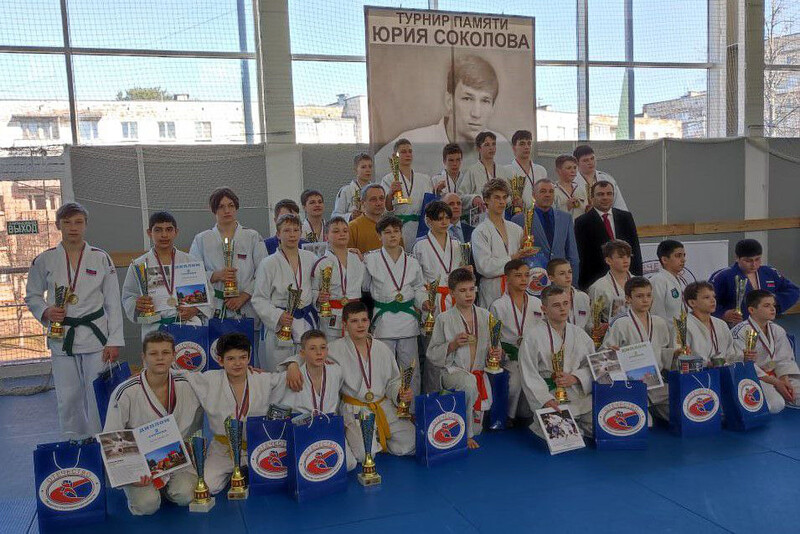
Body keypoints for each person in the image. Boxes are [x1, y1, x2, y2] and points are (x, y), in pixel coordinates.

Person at [25, 202, 124, 439]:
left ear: (86, 225)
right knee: (68, 396)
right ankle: (74, 441)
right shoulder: (45, 259)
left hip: (95, 334)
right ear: (58, 225)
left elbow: (112, 302)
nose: (73, 227)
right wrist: (46, 311)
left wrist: (114, 340)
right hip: (62, 334)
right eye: (67, 222)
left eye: (78, 222)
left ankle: (99, 440)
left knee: (97, 392)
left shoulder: (101, 257)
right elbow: (32, 295)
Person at [178, 333, 297, 495]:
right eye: (231, 359)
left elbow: (291, 376)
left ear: (249, 358)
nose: (238, 363)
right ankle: (239, 473)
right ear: (220, 360)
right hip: (223, 449)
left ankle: (245, 472)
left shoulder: (262, 379)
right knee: (209, 486)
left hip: (257, 446)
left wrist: (292, 364)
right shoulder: (209, 380)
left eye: (242, 357)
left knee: (285, 477)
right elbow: (180, 374)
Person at [104, 331, 202, 516]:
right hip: (140, 462)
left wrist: (252, 374)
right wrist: (130, 475)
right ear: (144, 357)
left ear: (174, 355)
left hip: (175, 457)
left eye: (165, 353)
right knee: (147, 506)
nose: (160, 358)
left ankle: (167, 487)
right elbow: (111, 437)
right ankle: (148, 490)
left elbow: (220, 380)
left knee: (187, 496)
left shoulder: (187, 383)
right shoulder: (126, 391)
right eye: (153, 353)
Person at [373, 54, 513, 177]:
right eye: (467, 99)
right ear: (449, 101)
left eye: (485, 101)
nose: (476, 113)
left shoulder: (502, 148)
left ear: (493, 107)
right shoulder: (412, 143)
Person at [329, 302, 416, 470]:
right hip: (355, 409)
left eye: (364, 320)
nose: (360, 325)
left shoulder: (382, 348)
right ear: (345, 324)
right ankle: (364, 438)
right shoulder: (334, 349)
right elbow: (308, 357)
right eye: (354, 321)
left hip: (383, 406)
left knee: (413, 442)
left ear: (369, 322)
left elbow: (393, 381)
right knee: (364, 455)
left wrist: (400, 394)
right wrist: (293, 365)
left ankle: (377, 438)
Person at [427, 268, 501, 449]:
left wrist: (496, 353)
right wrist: (452, 345)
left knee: (478, 429)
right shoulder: (444, 319)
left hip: (479, 373)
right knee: (468, 383)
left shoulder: (486, 315)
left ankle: (470, 430)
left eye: (471, 289)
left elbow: (495, 345)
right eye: (462, 290)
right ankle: (465, 435)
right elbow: (432, 353)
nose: (468, 294)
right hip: (452, 372)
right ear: (452, 293)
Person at [363, 215, 428, 395]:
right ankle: (386, 406)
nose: (392, 235)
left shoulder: (412, 261)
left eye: (396, 231)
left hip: (407, 320)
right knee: (384, 368)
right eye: (387, 232)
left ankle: (411, 406)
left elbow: (419, 288)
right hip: (383, 319)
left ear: (401, 234)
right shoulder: (370, 260)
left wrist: (424, 302)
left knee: (411, 368)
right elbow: (365, 287)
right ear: (379, 236)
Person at [518, 285, 595, 438]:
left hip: (580, 397)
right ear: (544, 309)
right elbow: (528, 373)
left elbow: (592, 366)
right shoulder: (532, 337)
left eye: (565, 303)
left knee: (602, 430)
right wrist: (545, 400)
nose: (562, 309)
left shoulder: (579, 333)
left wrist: (575, 377)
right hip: (551, 397)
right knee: (564, 439)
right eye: (556, 305)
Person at [124, 212, 213, 339]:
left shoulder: (191, 261)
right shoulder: (139, 265)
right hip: (155, 329)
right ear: (149, 233)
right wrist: (137, 304)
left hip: (188, 325)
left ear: (176, 232)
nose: (164, 235)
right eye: (158, 230)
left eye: (169, 229)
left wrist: (196, 309)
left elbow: (209, 292)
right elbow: (128, 296)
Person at [252, 213, 319, 371]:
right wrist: (278, 316)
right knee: (279, 373)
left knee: (306, 372)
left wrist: (319, 297)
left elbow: (315, 288)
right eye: (287, 230)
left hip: (305, 322)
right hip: (280, 325)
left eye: (296, 230)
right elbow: (259, 299)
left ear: (301, 232)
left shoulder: (311, 258)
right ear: (278, 234)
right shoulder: (268, 263)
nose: (292, 234)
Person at [190, 188, 266, 325]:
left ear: (236, 207)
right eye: (221, 207)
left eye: (231, 205)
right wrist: (215, 275)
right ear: (213, 210)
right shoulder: (201, 239)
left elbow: (263, 273)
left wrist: (244, 296)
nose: (227, 211)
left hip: (247, 307)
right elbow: (193, 275)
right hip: (215, 308)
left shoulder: (252, 236)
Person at [602, 277, 675, 420]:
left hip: (655, 382)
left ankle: (656, 411)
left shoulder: (659, 322)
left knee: (682, 410)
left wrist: (675, 353)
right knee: (644, 423)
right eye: (639, 296)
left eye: (648, 295)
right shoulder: (620, 323)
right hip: (630, 384)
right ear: (628, 298)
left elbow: (662, 351)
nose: (645, 300)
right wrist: (612, 352)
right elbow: (604, 354)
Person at [489, 260, 543, 421]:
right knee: (514, 383)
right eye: (518, 275)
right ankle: (507, 416)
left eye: (526, 275)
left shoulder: (537, 303)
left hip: (533, 355)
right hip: (509, 357)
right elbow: (494, 337)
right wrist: (499, 353)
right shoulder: (498, 305)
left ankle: (536, 414)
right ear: (507, 279)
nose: (524, 279)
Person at [732, 290, 800, 413]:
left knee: (797, 395)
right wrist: (776, 383)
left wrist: (784, 379)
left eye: (773, 305)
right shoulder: (740, 332)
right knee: (776, 405)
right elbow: (741, 364)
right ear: (751, 310)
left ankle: (783, 394)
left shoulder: (777, 329)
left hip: (776, 374)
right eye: (767, 305)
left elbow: (784, 358)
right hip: (755, 377)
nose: (773, 309)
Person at [472, 179, 532, 308]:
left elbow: (522, 261)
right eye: (497, 197)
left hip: (515, 287)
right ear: (486, 200)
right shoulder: (480, 231)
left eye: (504, 197)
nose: (502, 202)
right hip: (492, 289)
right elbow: (484, 267)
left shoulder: (516, 229)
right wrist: (513, 257)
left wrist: (527, 249)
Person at [711, 238, 799, 325]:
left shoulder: (769, 272)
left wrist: (774, 302)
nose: (754, 264)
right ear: (737, 258)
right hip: (734, 326)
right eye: (748, 261)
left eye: (757, 259)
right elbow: (706, 300)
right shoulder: (722, 276)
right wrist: (723, 314)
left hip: (765, 325)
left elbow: (793, 291)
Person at [574, 181, 642, 289]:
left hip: (627, 279)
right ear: (592, 198)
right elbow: (583, 257)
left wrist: (638, 278)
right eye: (600, 194)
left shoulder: (626, 217)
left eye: (609, 194)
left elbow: (635, 250)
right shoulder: (582, 222)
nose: (605, 198)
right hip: (597, 281)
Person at [511, 179, 580, 280]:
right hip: (533, 279)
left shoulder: (565, 218)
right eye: (543, 191)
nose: (547, 195)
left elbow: (572, 253)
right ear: (534, 195)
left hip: (560, 279)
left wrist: (573, 282)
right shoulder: (519, 219)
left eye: (551, 192)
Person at [311, 217, 365, 341]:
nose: (342, 234)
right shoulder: (322, 263)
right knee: (332, 351)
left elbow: (366, 285)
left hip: (355, 315)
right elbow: (312, 289)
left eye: (345, 231)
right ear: (326, 236)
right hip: (331, 315)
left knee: (354, 350)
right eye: (336, 231)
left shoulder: (358, 259)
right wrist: (318, 297)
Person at [413, 201, 466, 317]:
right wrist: (423, 300)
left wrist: (466, 271)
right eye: (440, 218)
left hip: (454, 297)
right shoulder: (420, 246)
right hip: (433, 299)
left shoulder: (456, 243)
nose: (444, 222)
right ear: (429, 220)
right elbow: (416, 280)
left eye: (447, 218)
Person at [380, 138, 433, 252]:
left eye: (410, 151)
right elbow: (385, 209)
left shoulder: (424, 179)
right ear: (395, 156)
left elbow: (430, 204)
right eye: (403, 152)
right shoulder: (388, 179)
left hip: (421, 228)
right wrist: (390, 194)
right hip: (399, 227)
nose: (408, 154)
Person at [680, 282, 737, 367]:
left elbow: (731, 353)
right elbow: (681, 358)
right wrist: (705, 364)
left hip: (724, 371)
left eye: (714, 296)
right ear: (692, 303)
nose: (713, 300)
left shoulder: (721, 324)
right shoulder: (683, 326)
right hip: (698, 373)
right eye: (706, 297)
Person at [458, 132, 513, 211]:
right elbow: (460, 196)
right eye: (487, 145)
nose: (491, 148)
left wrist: (507, 200)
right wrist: (473, 198)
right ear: (478, 148)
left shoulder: (501, 170)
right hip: (481, 215)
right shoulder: (472, 171)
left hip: (501, 214)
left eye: (493, 144)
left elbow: (509, 195)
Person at [588, 240, 634, 326]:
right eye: (620, 257)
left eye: (628, 256)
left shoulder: (639, 283)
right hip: (612, 331)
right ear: (608, 260)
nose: (626, 261)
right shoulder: (599, 287)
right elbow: (592, 320)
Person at [573, 145, 627, 211]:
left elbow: (619, 204)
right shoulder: (571, 181)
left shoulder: (607, 179)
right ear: (577, 163)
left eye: (592, 158)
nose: (590, 162)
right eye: (585, 160)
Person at [504, 130, 548, 212]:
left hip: (539, 213)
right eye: (522, 144)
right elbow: (502, 197)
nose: (526, 147)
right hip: (517, 213)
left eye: (529, 143)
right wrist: (513, 200)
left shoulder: (541, 170)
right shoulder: (506, 171)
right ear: (514, 148)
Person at [650, 239, 689, 328]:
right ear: (664, 259)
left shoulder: (681, 281)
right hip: (667, 332)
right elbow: (657, 313)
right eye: (678, 256)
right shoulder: (658, 281)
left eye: (684, 255)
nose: (683, 260)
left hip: (683, 330)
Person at [547, 258, 590, 331]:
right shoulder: (547, 299)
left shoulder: (583, 297)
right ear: (551, 278)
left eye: (570, 272)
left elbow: (588, 324)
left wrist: (595, 329)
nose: (568, 276)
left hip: (581, 337)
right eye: (562, 273)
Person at [332, 153, 374, 222]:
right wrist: (350, 216)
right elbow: (335, 216)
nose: (368, 170)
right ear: (355, 170)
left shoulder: (376, 190)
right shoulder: (346, 191)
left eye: (370, 166)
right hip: (352, 226)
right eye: (363, 167)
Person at [348, 183, 388, 254]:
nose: (379, 203)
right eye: (373, 199)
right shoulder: (352, 227)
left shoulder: (392, 226)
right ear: (363, 203)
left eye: (381, 198)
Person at [552, 155, 588, 220]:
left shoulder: (581, 189)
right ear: (558, 171)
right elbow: (550, 214)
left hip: (580, 226)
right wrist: (566, 207)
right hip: (563, 225)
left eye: (575, 168)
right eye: (569, 168)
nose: (573, 171)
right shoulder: (553, 191)